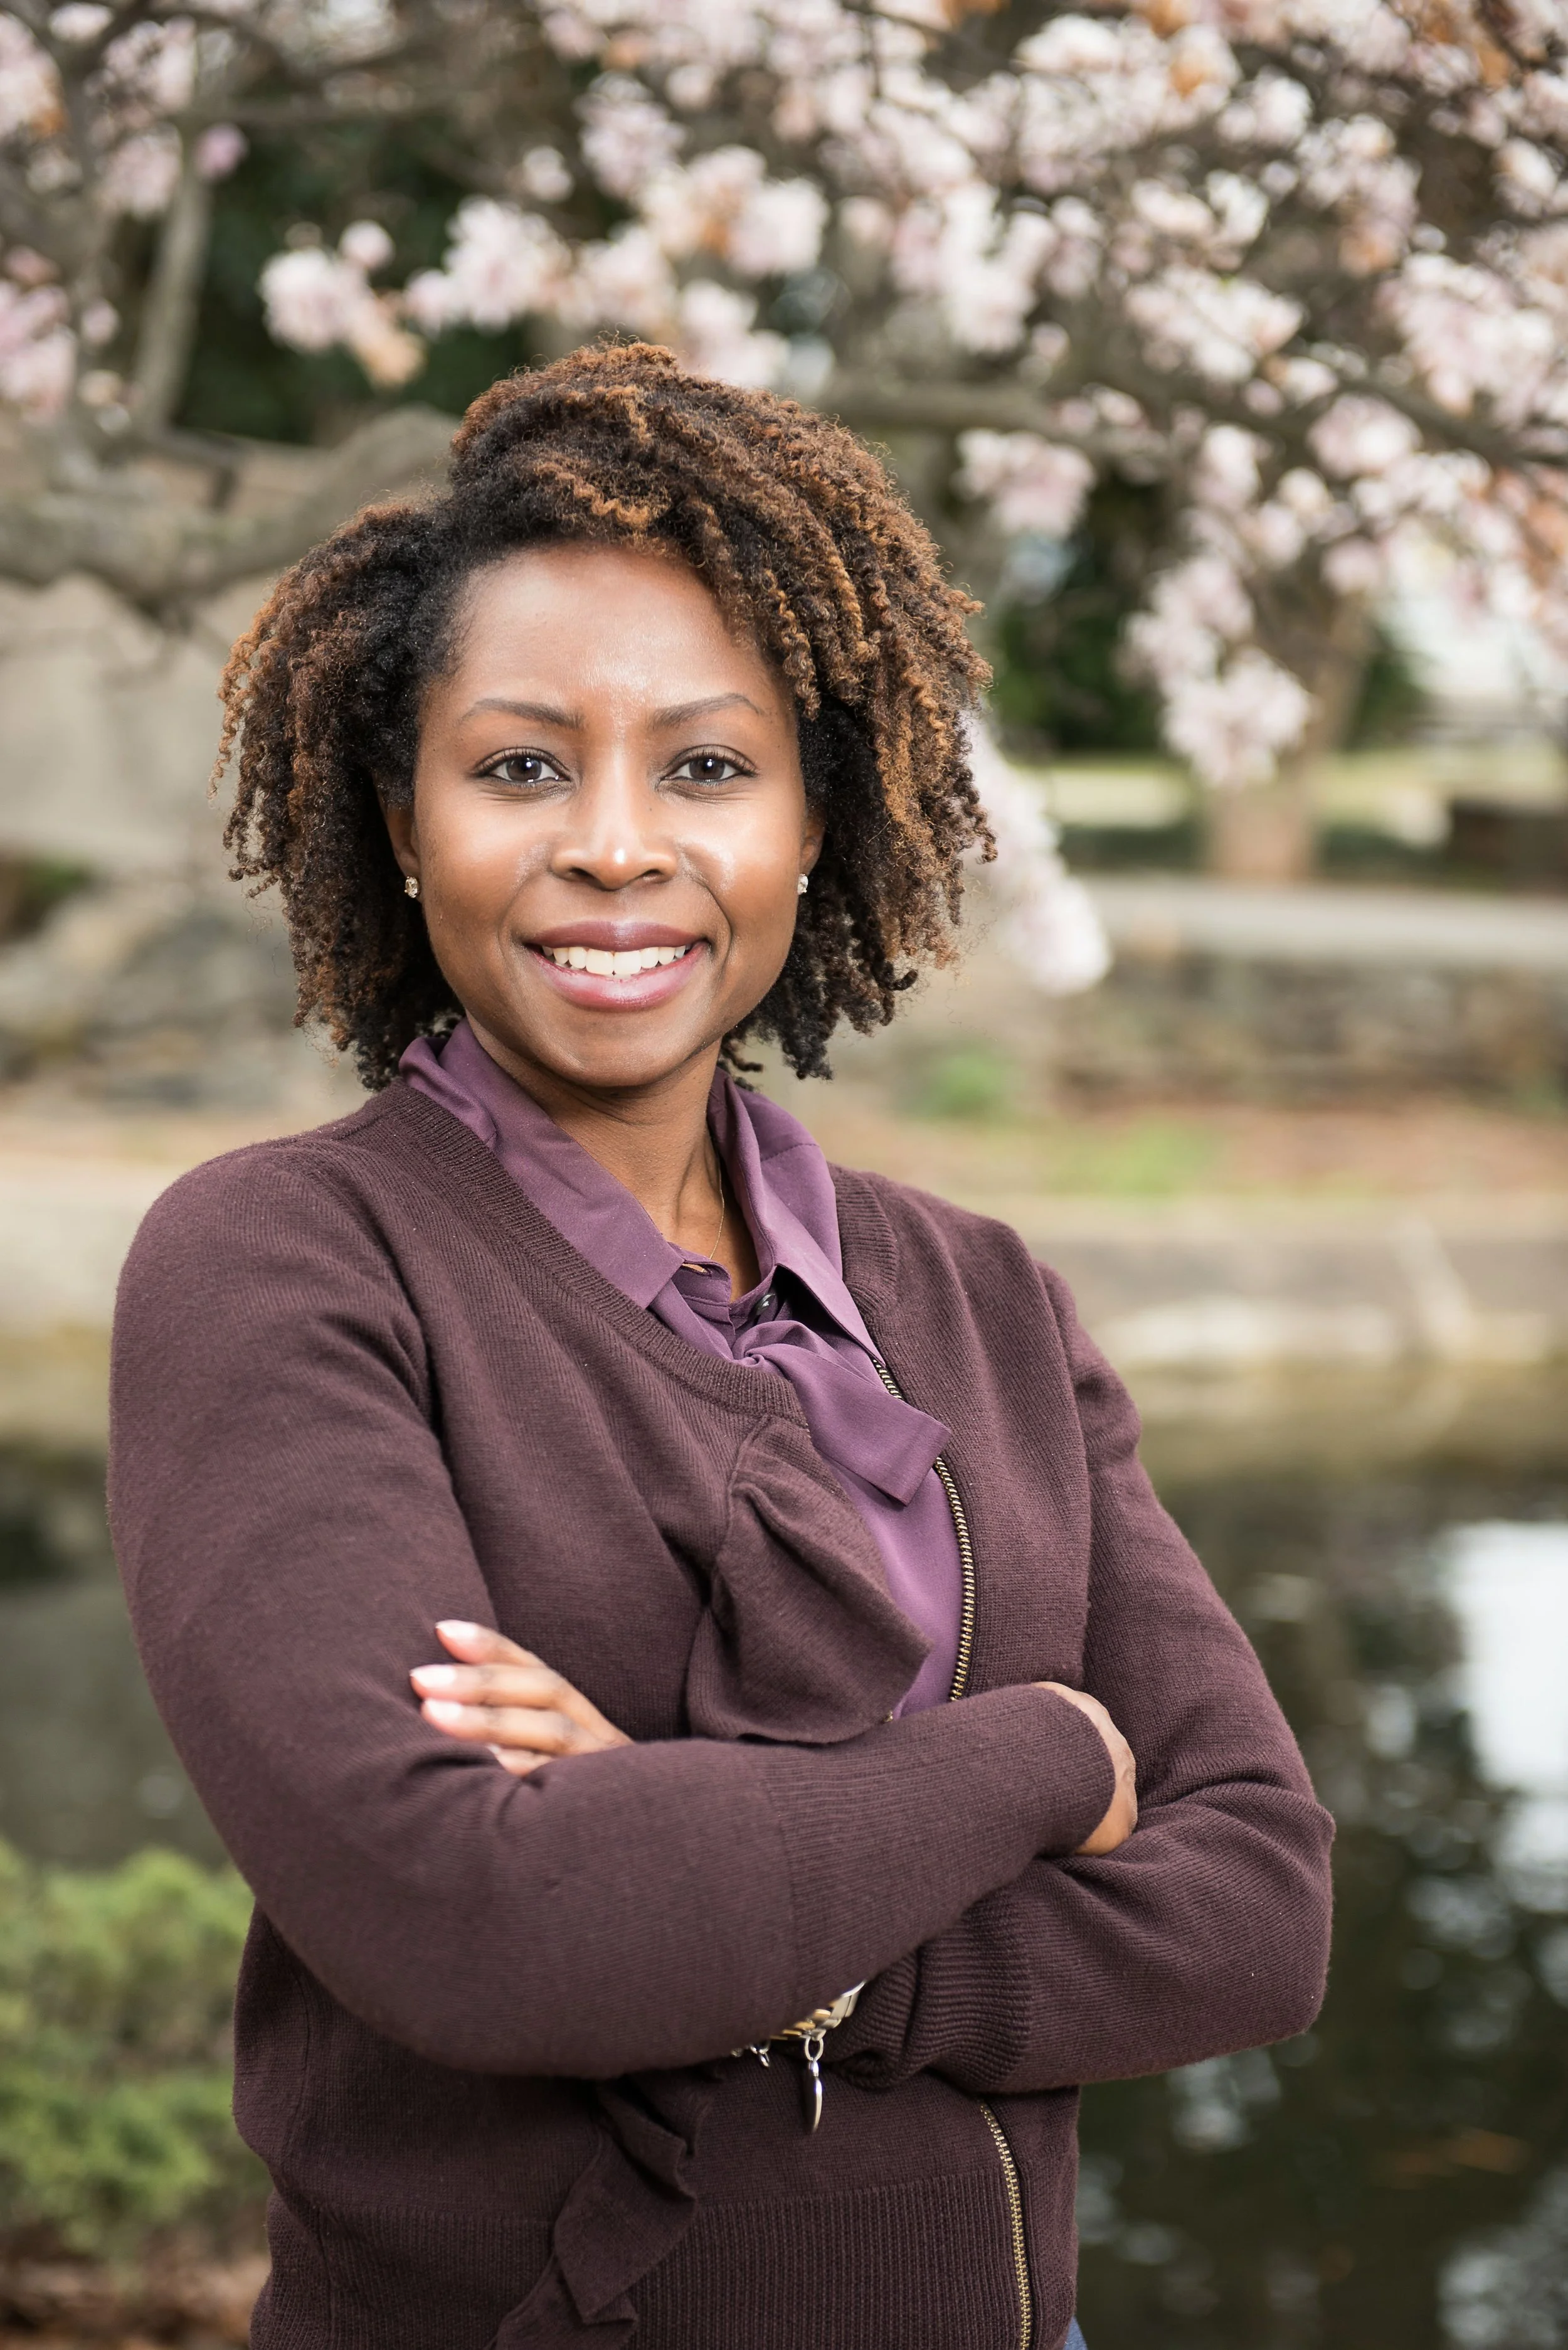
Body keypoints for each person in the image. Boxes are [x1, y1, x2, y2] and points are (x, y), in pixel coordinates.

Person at [109, 343, 1332, 2350]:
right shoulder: (285, 1263)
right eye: (518, 766)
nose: (613, 845)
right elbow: (485, 1925)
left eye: (705, 765)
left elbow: (1260, 1906)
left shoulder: (982, 1295)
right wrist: (1049, 1754)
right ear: (402, 821)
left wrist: (784, 1927)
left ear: (808, 825)